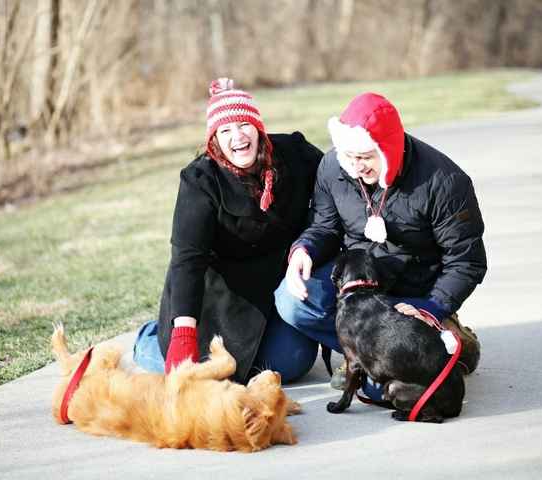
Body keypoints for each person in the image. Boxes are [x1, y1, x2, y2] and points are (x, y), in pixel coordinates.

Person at [274, 92, 486, 398]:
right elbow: (324, 225)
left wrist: (434, 306)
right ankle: (363, 355)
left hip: (415, 293)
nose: (356, 166)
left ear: (389, 148)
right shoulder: (334, 167)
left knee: (388, 392)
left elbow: (466, 261)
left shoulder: (445, 181)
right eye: (349, 157)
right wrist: (303, 249)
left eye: (365, 157)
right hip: (361, 286)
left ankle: (449, 338)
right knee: (292, 301)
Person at [132, 78, 324, 383]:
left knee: (292, 361)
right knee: (206, 372)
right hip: (219, 296)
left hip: (274, 285)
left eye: (244, 124)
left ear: (258, 127)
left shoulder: (295, 154)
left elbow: (334, 184)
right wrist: (183, 334)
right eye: (225, 130)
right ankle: (148, 340)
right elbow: (187, 259)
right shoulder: (200, 181)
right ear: (214, 140)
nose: (237, 136)